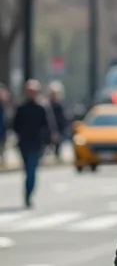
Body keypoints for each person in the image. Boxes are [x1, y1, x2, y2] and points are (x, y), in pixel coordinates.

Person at [12, 79, 51, 207]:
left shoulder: (41, 108)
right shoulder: (21, 108)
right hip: (24, 143)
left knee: (31, 169)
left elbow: (47, 125)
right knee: (27, 169)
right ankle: (27, 192)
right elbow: (15, 125)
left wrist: (48, 140)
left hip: (36, 143)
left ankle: (28, 194)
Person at [47, 82, 69, 160]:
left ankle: (57, 155)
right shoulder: (47, 105)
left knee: (58, 143)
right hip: (49, 126)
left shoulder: (60, 105)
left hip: (59, 126)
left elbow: (62, 117)